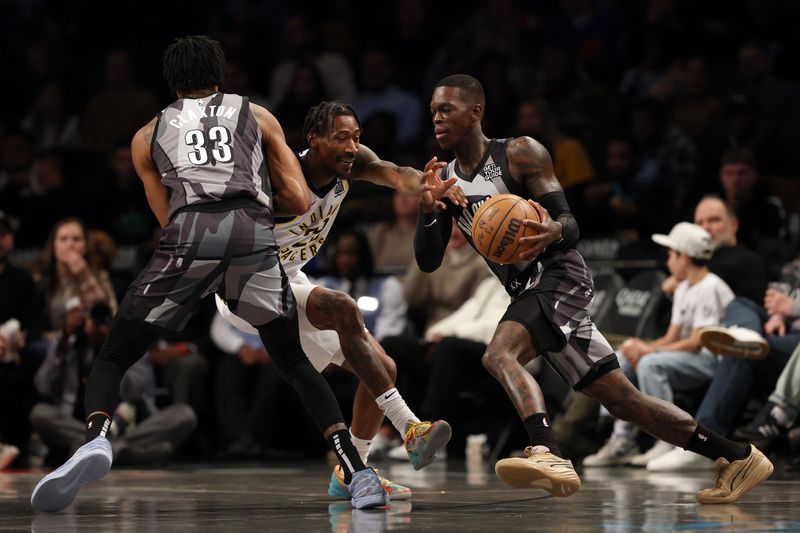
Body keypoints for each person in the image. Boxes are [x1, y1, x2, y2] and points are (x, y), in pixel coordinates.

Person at [31, 35, 387, 513]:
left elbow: (166, 220)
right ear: (220, 76)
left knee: (115, 354)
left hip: (190, 233)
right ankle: (359, 475)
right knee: (294, 364)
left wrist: (201, 265)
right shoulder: (256, 114)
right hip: (252, 236)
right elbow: (301, 200)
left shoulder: (145, 134)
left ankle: (95, 439)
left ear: (173, 83)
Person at [416, 74, 772, 503]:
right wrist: (428, 209)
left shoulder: (519, 153)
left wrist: (550, 230)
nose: (436, 117)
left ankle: (547, 450)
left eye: (446, 109)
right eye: (433, 110)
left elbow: (571, 225)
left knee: (499, 353)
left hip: (559, 275)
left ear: (475, 111)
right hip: (525, 289)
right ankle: (737, 457)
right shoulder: (447, 181)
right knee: (623, 400)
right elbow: (428, 260)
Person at [216, 100, 452, 501]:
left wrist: (424, 184)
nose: (351, 146)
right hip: (248, 286)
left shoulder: (353, 164)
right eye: (341, 138)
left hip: (288, 279)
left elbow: (395, 174)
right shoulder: (281, 174)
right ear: (314, 140)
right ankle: (410, 426)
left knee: (384, 369)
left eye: (356, 137)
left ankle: (349, 471)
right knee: (344, 306)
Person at [582, 223, 733, 470]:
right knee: (624, 356)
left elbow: (697, 342)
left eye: (670, 254)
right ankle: (622, 439)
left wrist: (650, 351)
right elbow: (673, 335)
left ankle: (669, 437)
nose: (668, 259)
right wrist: (642, 346)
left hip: (710, 361)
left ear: (683, 257)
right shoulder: (684, 286)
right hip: (687, 358)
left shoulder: (710, 286)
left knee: (651, 363)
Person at [31, 301, 197, 467]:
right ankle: (127, 453)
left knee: (185, 414)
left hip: (131, 426)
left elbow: (135, 391)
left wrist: (114, 352)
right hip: (81, 426)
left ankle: (97, 451)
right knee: (40, 413)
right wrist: (65, 342)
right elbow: (42, 385)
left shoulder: (128, 343)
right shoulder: (70, 344)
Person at [32, 217, 118, 333]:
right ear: (53, 246)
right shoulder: (41, 278)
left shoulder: (100, 275)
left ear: (85, 246)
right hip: (52, 343)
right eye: (63, 239)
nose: (70, 244)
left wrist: (84, 275)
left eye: (76, 239)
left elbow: (110, 316)